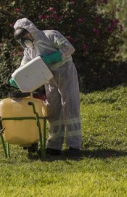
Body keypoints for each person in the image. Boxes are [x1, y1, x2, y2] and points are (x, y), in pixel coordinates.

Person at [9, 18, 81, 156]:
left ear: (30, 31)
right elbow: (24, 65)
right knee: (53, 110)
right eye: (21, 39)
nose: (24, 40)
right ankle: (54, 145)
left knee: (70, 106)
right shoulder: (29, 49)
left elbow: (69, 48)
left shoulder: (51, 35)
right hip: (48, 76)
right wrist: (15, 78)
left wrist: (53, 57)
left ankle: (74, 146)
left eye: (25, 36)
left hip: (65, 71)